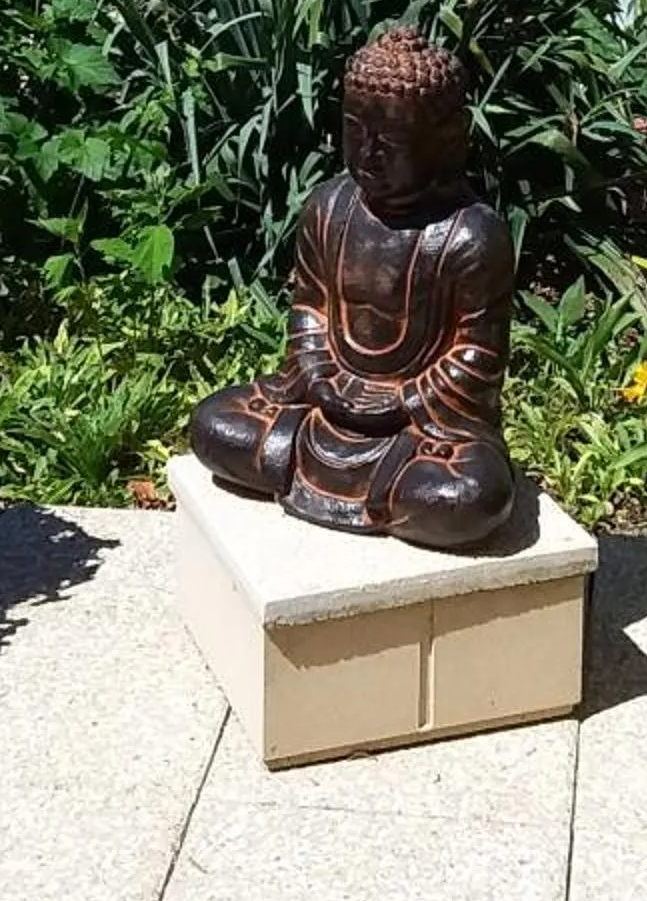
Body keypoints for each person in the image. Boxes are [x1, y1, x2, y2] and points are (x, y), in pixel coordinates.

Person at [188, 27, 516, 549]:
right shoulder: (330, 207)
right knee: (214, 425)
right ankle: (350, 484)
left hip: (420, 430)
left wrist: (403, 399)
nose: (369, 151)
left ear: (446, 142)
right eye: (355, 129)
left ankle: (382, 486)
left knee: (471, 497)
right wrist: (318, 372)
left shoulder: (469, 234)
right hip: (318, 404)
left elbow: (477, 353)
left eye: (393, 139)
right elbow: (310, 309)